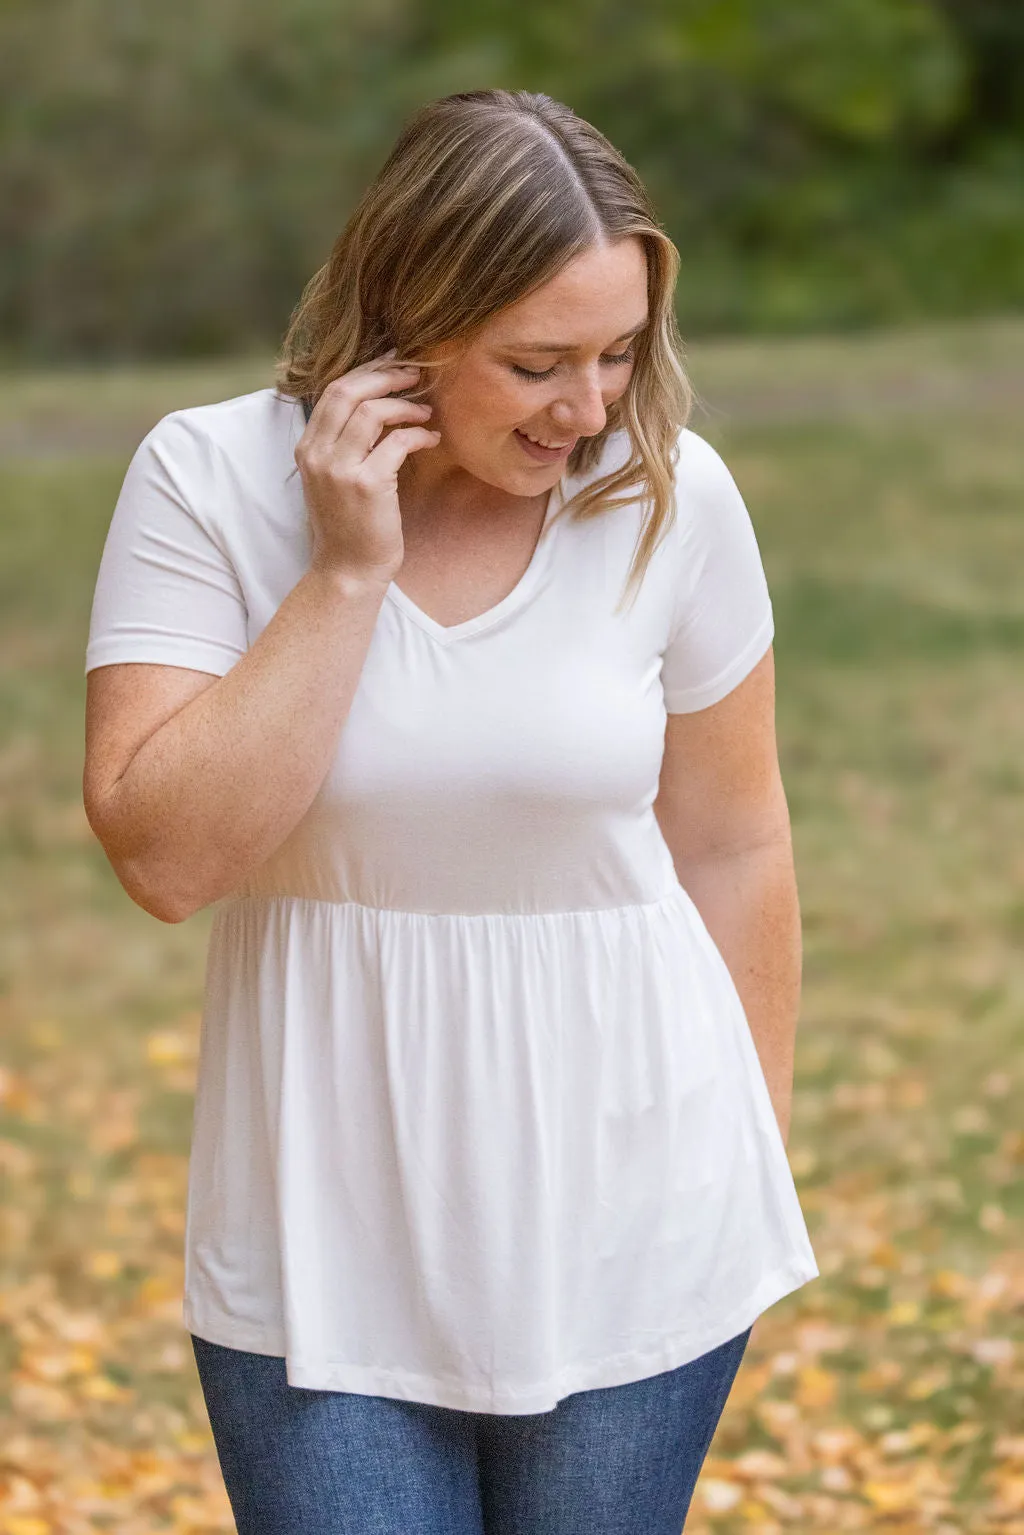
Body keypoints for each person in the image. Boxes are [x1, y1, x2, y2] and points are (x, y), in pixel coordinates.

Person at [82, 88, 818, 1534]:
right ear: (408, 320)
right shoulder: (207, 483)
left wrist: (748, 1153)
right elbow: (166, 857)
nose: (590, 407)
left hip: (634, 1202)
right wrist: (347, 572)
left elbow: (736, 842)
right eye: (537, 361)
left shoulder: (670, 498)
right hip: (321, 1230)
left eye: (618, 353)